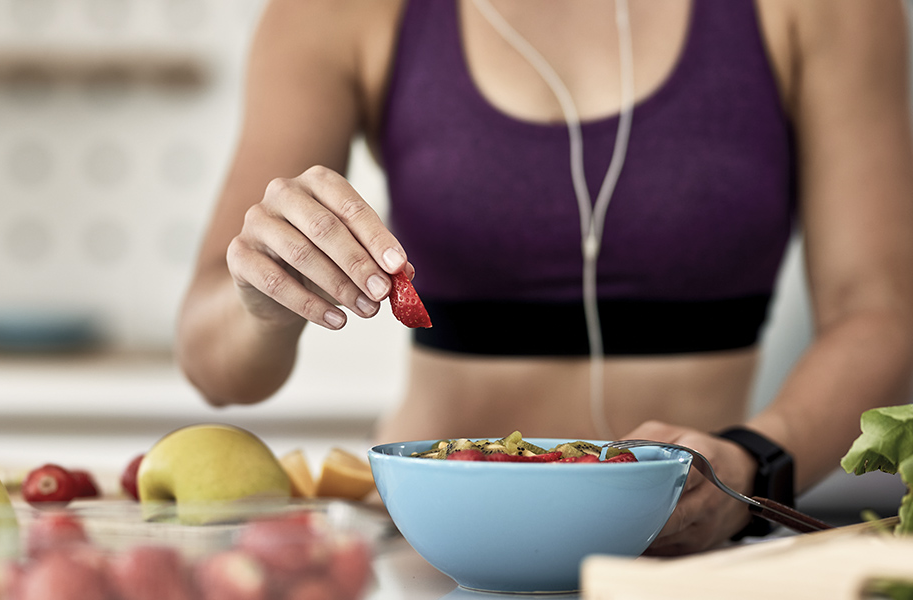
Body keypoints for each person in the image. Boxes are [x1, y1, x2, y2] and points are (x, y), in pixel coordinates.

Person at [175, 0, 913, 555]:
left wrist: (757, 460)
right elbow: (217, 366)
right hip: (430, 551)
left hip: (688, 552)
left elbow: (881, 310)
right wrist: (261, 299)